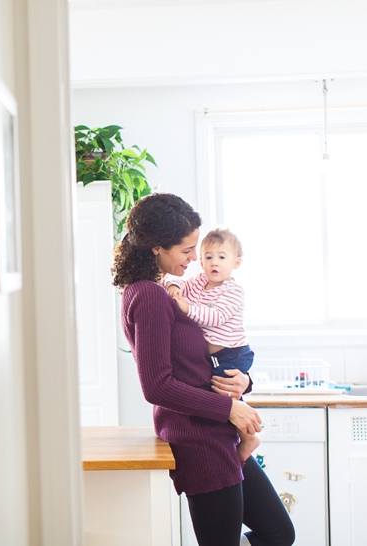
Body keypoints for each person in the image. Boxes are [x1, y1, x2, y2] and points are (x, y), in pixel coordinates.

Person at [112, 193, 294, 546]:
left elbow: (199, 359)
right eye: (186, 250)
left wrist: (242, 381)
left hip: (215, 433)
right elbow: (157, 386)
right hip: (198, 439)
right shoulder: (148, 295)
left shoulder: (163, 291)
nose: (195, 258)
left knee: (278, 533)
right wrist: (230, 408)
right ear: (155, 248)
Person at [164, 227, 259, 462]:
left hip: (232, 353)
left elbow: (215, 317)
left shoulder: (233, 291)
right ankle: (240, 435)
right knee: (220, 390)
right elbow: (172, 279)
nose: (214, 263)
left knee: (224, 391)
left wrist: (187, 308)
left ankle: (247, 437)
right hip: (215, 355)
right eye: (208, 257)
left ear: (236, 263)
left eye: (221, 257)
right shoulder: (198, 282)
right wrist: (174, 288)